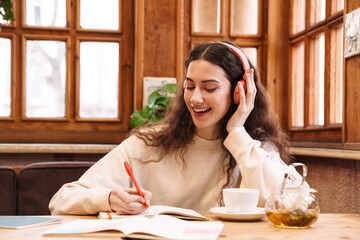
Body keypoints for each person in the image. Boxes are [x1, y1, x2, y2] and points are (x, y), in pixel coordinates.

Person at [49, 41, 294, 215]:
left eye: (209, 88)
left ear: (240, 92)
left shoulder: (254, 148)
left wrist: (237, 132)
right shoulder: (149, 143)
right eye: (190, 86)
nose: (196, 98)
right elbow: (62, 200)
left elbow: (291, 205)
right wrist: (108, 199)